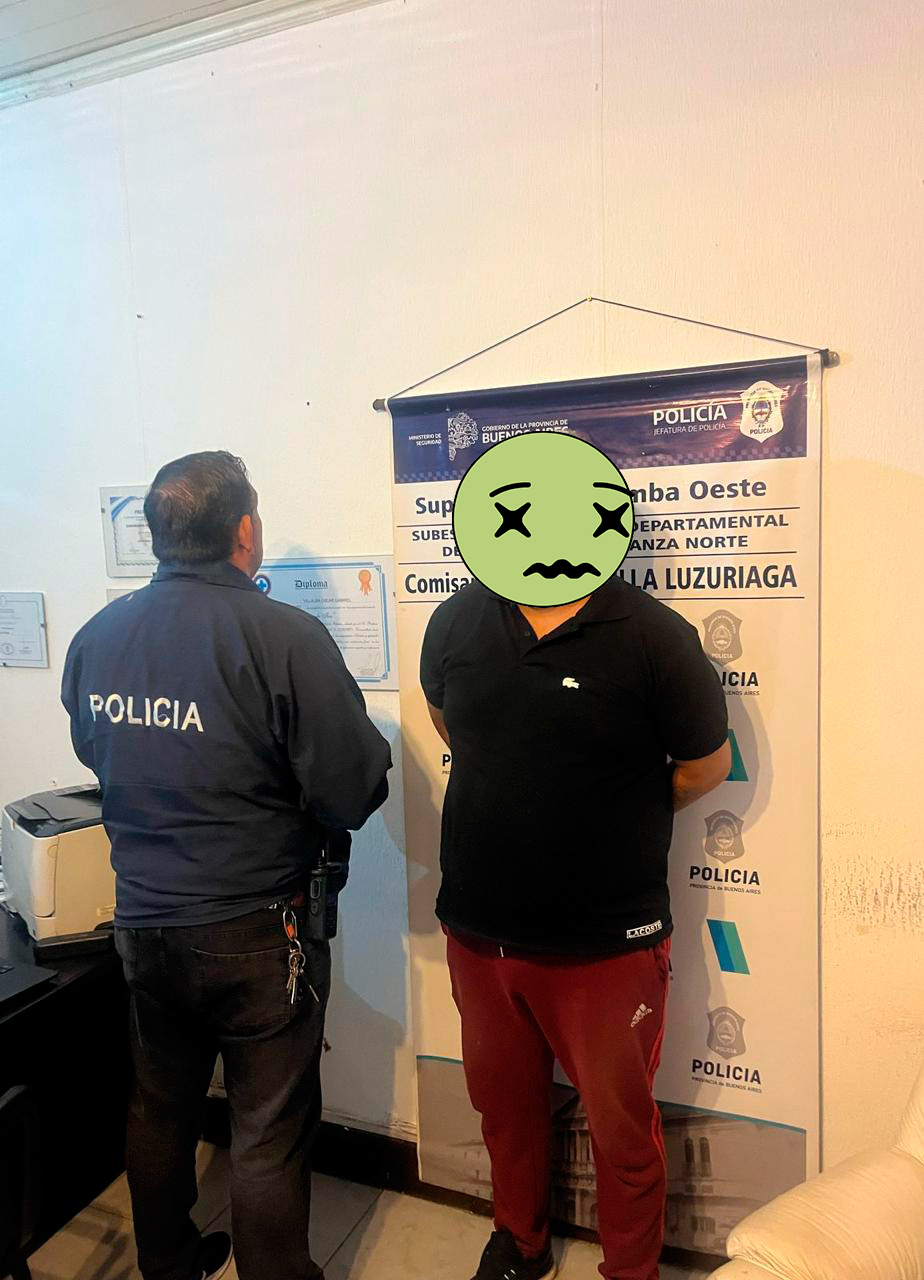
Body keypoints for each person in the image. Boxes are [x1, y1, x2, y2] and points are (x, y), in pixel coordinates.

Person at [61, 451, 391, 1280]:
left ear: (158, 534)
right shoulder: (284, 636)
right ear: (245, 530)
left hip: (143, 921)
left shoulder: (98, 636)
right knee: (268, 1127)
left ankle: (168, 1263)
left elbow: (96, 754)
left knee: (160, 1105)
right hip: (256, 928)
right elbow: (353, 789)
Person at [421, 575, 730, 1280]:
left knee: (622, 1135)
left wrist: (612, 812)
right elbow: (449, 722)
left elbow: (706, 767)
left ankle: (630, 1271)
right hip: (479, 930)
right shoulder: (456, 620)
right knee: (504, 1112)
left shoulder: (657, 637)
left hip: (607, 945)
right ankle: (520, 1243)